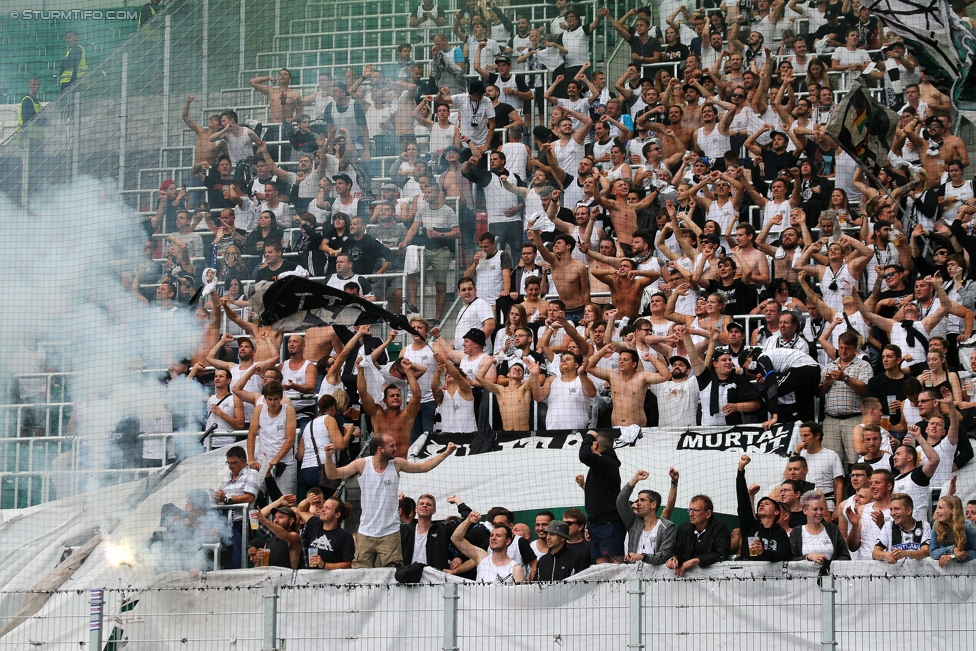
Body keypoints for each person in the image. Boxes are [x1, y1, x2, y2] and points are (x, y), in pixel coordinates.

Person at [322, 434, 456, 568]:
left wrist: (446, 452)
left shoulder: (397, 463)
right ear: (380, 449)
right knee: (360, 573)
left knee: (393, 573)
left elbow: (424, 467)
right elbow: (332, 474)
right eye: (392, 446)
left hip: (390, 532)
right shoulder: (362, 464)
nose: (396, 448)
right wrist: (328, 456)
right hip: (366, 532)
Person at [817, 331, 873, 466]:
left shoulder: (863, 366)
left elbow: (866, 390)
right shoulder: (829, 367)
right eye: (841, 347)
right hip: (830, 420)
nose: (843, 351)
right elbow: (818, 393)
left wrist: (845, 378)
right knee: (830, 461)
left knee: (856, 459)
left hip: (853, 418)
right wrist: (827, 384)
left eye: (847, 348)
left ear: (855, 348)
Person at [587, 346, 667, 427]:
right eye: (620, 359)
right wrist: (603, 350)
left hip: (637, 428)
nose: (621, 362)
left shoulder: (642, 377)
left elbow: (666, 375)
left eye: (625, 360)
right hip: (616, 427)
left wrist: (651, 358)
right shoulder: (612, 375)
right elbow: (588, 367)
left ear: (634, 364)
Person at [399, 494, 477, 576]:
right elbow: (387, 524)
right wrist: (395, 501)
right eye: (421, 504)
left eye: (429, 505)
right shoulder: (404, 529)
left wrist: (458, 502)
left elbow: (469, 520)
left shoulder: (442, 529)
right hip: (407, 579)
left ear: (434, 510)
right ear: (416, 509)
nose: (424, 506)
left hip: (434, 581)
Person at [357, 361, 423, 456]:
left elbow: (417, 395)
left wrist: (408, 371)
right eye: (392, 396)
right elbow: (362, 392)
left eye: (398, 395)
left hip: (400, 464)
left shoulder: (407, 415)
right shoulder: (377, 413)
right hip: (380, 463)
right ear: (385, 400)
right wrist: (360, 369)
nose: (396, 397)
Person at [579, 430, 625, 564]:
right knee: (601, 572)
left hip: (610, 524)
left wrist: (588, 436)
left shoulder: (608, 461)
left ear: (596, 446)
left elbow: (584, 455)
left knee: (616, 571)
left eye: (591, 444)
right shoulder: (601, 464)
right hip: (598, 525)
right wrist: (590, 524)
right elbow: (601, 495)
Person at [527, 230, 590, 323]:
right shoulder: (554, 262)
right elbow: (541, 248)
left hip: (580, 309)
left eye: (559, 243)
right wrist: (535, 231)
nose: (555, 245)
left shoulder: (580, 267)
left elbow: (585, 292)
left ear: (568, 246)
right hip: (563, 311)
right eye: (555, 243)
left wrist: (587, 313)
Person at [247, 381, 297, 497]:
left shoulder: (288, 410)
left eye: (276, 399)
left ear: (281, 398)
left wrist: (274, 461)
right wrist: (250, 459)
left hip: (284, 463)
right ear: (265, 398)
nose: (273, 402)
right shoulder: (259, 410)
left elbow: (290, 439)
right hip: (262, 463)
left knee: (284, 502)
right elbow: (251, 435)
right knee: (254, 499)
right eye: (270, 399)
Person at [736, 455, 791, 561]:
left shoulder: (780, 533)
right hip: (747, 575)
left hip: (771, 576)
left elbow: (785, 555)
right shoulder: (751, 527)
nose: (761, 505)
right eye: (760, 504)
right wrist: (741, 470)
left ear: (776, 512)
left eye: (767, 503)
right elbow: (743, 500)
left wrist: (763, 552)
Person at [616, 469, 676, 565]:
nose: (638, 503)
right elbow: (620, 501)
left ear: (653, 505)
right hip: (633, 576)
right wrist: (635, 479)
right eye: (638, 500)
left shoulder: (667, 526)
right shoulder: (633, 522)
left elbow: (663, 556)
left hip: (657, 577)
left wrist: (643, 557)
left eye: (642, 500)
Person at [213, 445, 259, 568]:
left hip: (241, 523)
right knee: (225, 557)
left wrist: (227, 498)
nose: (230, 466)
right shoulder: (226, 477)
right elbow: (222, 498)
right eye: (228, 463)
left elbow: (250, 497)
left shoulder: (251, 473)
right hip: (224, 523)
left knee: (238, 557)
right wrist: (217, 497)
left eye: (233, 463)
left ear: (243, 462)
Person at [527, 352, 596, 430]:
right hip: (553, 430)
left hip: (577, 431)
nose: (563, 361)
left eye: (568, 359)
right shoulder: (552, 380)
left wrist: (581, 373)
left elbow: (592, 393)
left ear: (576, 365)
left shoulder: (582, 380)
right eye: (562, 360)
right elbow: (538, 397)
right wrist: (534, 376)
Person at [451, 511, 525, 583]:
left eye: (498, 536)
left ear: (508, 541)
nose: (493, 538)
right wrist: (468, 521)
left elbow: (516, 595)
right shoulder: (482, 558)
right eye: (491, 535)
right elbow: (456, 539)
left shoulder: (515, 569)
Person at [667, 495, 730, 576]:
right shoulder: (683, 528)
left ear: (708, 514)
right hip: (686, 578)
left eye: (696, 510)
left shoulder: (720, 528)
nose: (691, 514)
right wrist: (674, 558)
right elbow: (678, 551)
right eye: (690, 510)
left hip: (712, 577)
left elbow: (721, 554)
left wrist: (696, 560)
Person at [790, 490, 851, 570]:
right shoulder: (796, 532)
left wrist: (829, 564)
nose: (819, 513)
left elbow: (845, 555)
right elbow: (790, 559)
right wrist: (808, 557)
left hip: (830, 576)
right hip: (805, 577)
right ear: (805, 511)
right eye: (815, 509)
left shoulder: (832, 529)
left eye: (821, 509)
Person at [796, 422, 845, 516]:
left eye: (806, 435)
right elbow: (789, 477)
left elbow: (839, 484)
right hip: (803, 504)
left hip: (826, 503)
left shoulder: (831, 455)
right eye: (801, 436)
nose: (803, 439)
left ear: (817, 435)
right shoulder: (800, 456)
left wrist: (838, 506)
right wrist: (796, 453)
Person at [872, 493, 931, 563]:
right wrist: (886, 555)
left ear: (909, 511)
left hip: (919, 573)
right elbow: (875, 553)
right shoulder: (888, 526)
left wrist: (906, 553)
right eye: (891, 509)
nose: (892, 513)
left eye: (897, 509)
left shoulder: (924, 525)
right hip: (896, 573)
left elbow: (925, 552)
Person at [304, 497, 356, 569]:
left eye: (327, 508)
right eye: (323, 507)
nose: (322, 510)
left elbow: (348, 564)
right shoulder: (316, 524)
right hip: (310, 577)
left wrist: (325, 565)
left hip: (331, 578)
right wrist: (309, 499)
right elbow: (302, 510)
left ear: (337, 514)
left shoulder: (344, 535)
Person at [465, 232, 513, 308]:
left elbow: (506, 275)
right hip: (478, 302)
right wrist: (475, 263)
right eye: (481, 247)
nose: (483, 250)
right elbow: (466, 278)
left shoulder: (502, 255)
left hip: (495, 301)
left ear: (493, 244)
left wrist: (506, 291)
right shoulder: (477, 258)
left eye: (486, 247)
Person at [203, 367, 245, 447]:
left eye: (221, 376)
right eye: (216, 376)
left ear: (228, 380)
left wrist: (221, 413)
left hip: (227, 443)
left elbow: (240, 425)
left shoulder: (235, 399)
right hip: (209, 442)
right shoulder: (210, 399)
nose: (217, 378)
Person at [256, 500, 303, 570]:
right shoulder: (269, 541)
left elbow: (284, 535)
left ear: (291, 520)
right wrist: (258, 559)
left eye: (281, 517)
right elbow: (260, 568)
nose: (276, 520)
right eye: (275, 517)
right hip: (269, 579)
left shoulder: (295, 536)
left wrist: (265, 520)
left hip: (288, 579)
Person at [930, 495, 976, 567]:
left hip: (967, 573)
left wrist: (953, 557)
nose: (937, 511)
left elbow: (975, 551)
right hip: (944, 573)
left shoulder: (968, 526)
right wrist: (952, 549)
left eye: (940, 508)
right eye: (937, 508)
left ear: (952, 510)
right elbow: (932, 553)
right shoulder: (936, 525)